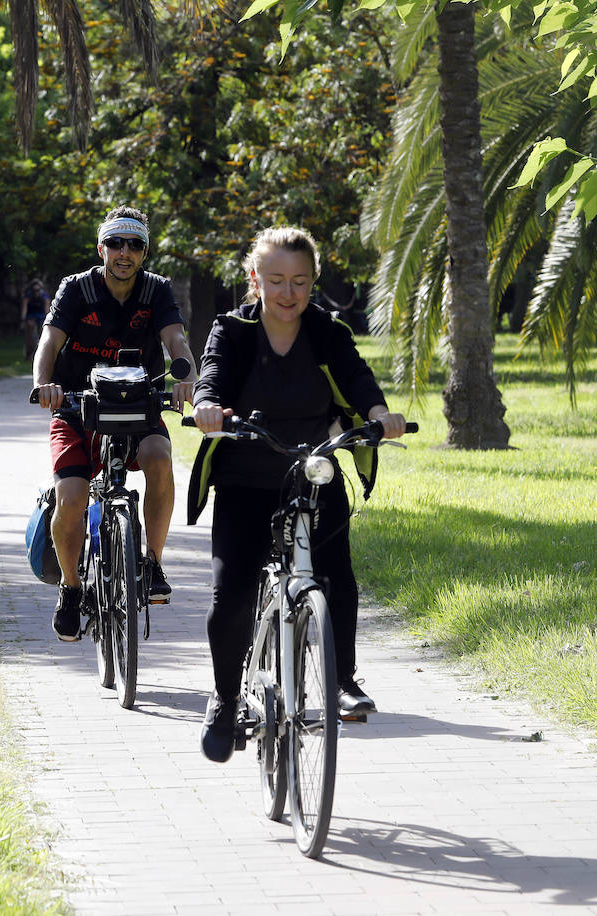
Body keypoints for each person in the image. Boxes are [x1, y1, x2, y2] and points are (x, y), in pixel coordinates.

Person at [187, 226, 406, 763]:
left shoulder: (325, 330)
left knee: (337, 576)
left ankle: (342, 680)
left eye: (300, 282)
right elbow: (211, 374)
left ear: (313, 284)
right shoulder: (232, 330)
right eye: (277, 280)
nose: (288, 293)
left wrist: (379, 416)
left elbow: (356, 378)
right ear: (255, 280)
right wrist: (208, 405)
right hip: (244, 477)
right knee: (231, 594)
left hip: (312, 471)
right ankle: (225, 697)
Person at [32, 207, 197, 642]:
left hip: (138, 408)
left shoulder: (157, 290)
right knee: (71, 497)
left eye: (135, 245)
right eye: (117, 243)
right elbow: (49, 341)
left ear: (144, 252)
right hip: (77, 408)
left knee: (160, 458)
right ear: (101, 247)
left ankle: (153, 562)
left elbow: (176, 340)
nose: (125, 253)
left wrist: (186, 381)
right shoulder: (76, 288)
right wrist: (44, 385)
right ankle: (70, 589)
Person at [22, 279, 49, 360]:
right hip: (31, 315)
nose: (36, 292)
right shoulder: (28, 296)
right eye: (34, 290)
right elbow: (24, 308)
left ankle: (43, 353)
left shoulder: (44, 296)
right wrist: (23, 319)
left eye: (38, 290)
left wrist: (47, 320)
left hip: (41, 315)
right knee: (30, 332)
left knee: (42, 334)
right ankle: (29, 353)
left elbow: (47, 308)